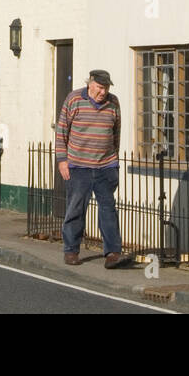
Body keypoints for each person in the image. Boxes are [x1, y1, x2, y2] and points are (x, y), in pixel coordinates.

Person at [56, 69, 125, 268]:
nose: (103, 92)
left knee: (108, 209)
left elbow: (116, 133)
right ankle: (71, 250)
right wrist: (62, 160)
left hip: (106, 166)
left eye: (107, 88)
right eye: (101, 87)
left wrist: (114, 161)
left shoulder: (114, 102)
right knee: (76, 208)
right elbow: (61, 132)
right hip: (78, 165)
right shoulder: (74, 99)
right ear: (91, 84)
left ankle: (113, 252)